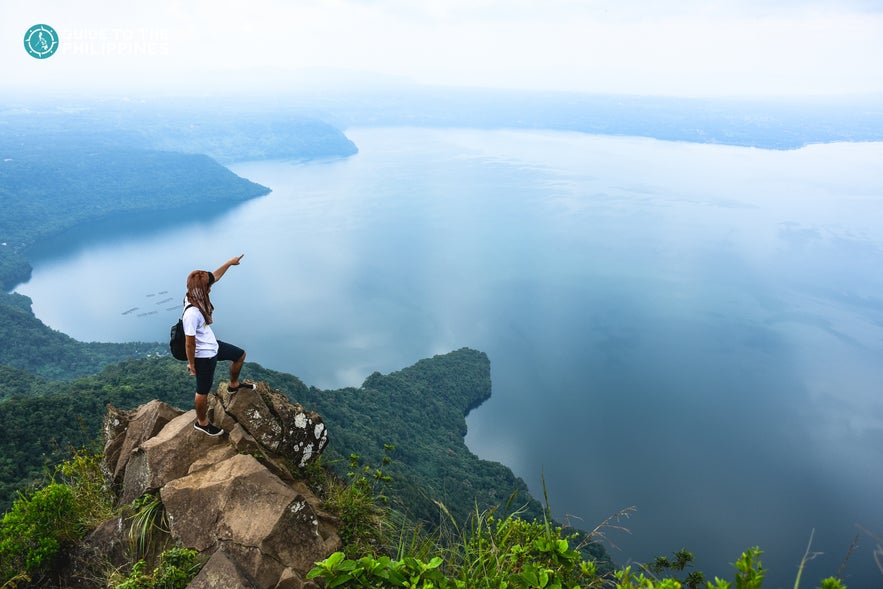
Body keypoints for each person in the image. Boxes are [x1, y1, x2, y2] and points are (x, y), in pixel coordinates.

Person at [183, 254, 255, 436]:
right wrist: (192, 364)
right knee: (202, 391)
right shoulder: (191, 314)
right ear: (202, 288)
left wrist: (230, 263)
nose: (211, 287)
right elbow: (189, 343)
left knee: (240, 355)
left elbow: (216, 275)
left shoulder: (195, 293)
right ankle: (202, 423)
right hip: (203, 355)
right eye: (208, 285)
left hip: (212, 345)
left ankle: (234, 385)